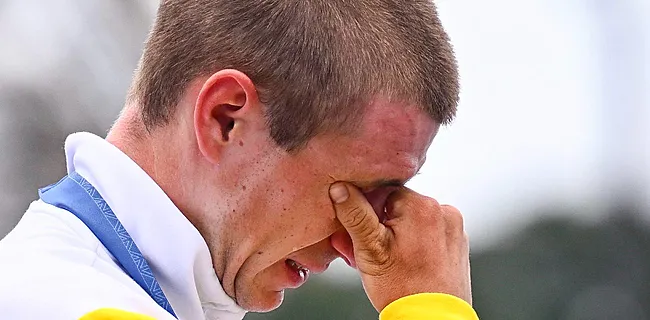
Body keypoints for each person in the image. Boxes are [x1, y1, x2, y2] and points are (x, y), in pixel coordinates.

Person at [0, 0, 479, 319]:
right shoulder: (69, 304)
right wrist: (429, 307)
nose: (354, 246)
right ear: (225, 118)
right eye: (356, 190)